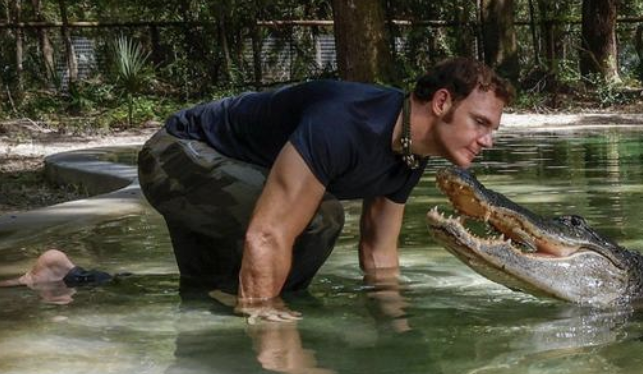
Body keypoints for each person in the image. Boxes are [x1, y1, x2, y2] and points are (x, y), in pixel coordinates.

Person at [136, 55, 512, 318]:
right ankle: (264, 311)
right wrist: (269, 326)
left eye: (492, 128)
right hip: (178, 156)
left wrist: (396, 326)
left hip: (229, 171)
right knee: (319, 217)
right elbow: (268, 234)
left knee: (203, 298)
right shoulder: (346, 123)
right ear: (442, 102)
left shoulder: (411, 153)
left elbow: (379, 253)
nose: (488, 139)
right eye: (480, 122)